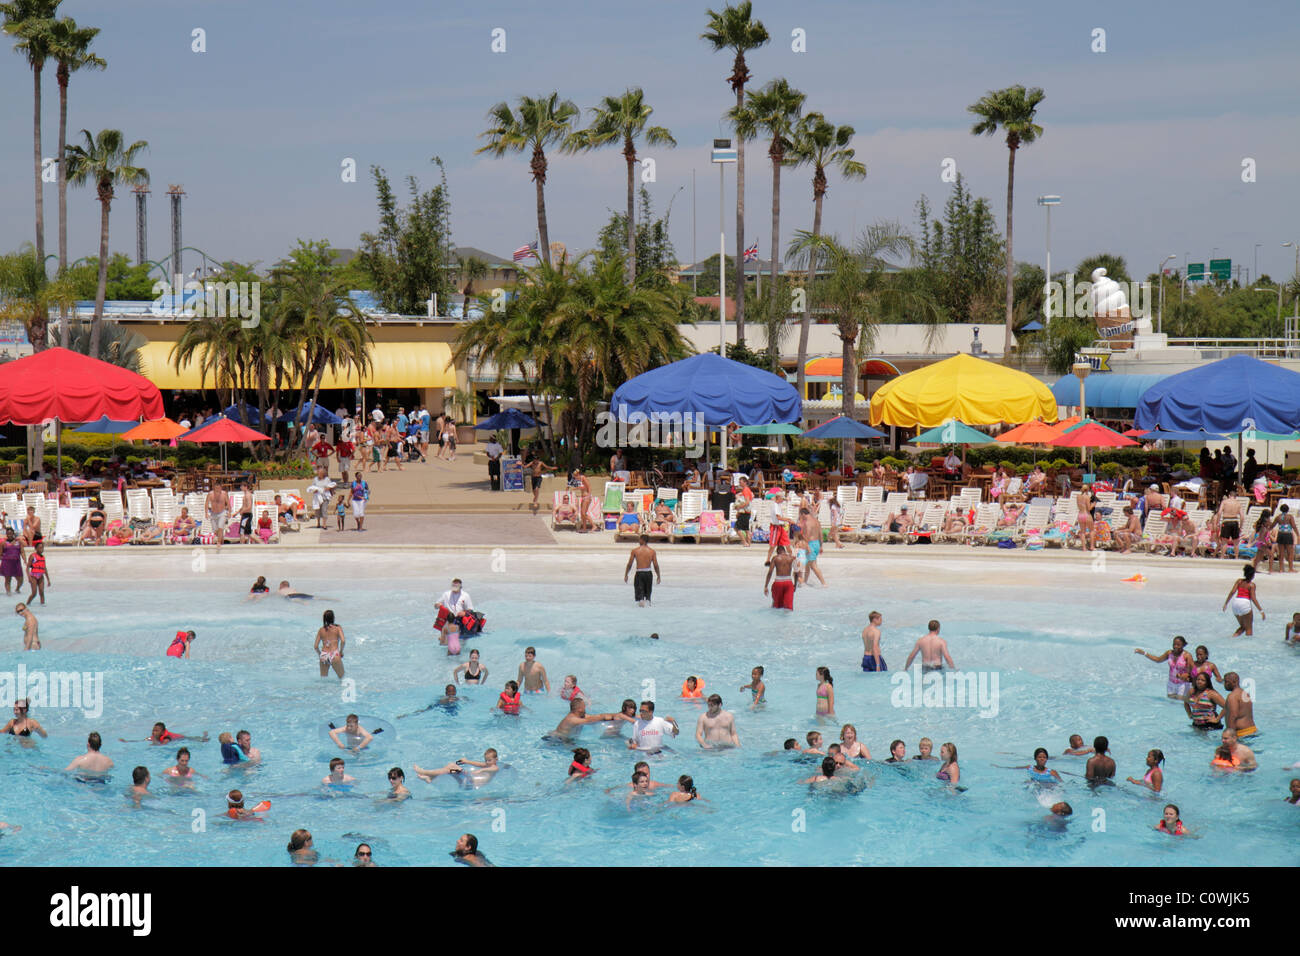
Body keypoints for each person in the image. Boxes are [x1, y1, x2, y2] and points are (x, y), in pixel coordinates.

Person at [550, 698, 623, 740]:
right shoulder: (572, 719)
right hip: (556, 740)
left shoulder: (580, 716)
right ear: (580, 709)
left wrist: (619, 715)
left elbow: (599, 716)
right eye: (584, 706)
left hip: (566, 740)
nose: (586, 708)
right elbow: (591, 720)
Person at [1222, 564, 1264, 636]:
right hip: (1245, 603)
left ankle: (1232, 638)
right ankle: (1249, 645)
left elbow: (1232, 592)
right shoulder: (1252, 585)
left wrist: (1226, 603)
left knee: (1243, 627)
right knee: (1249, 628)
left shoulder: (1239, 581)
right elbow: (1253, 598)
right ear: (1252, 575)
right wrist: (1261, 611)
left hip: (1235, 603)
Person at [624, 534, 660, 607]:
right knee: (648, 597)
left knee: (640, 598)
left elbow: (629, 564)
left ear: (642, 540)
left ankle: (641, 611)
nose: (638, 541)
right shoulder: (652, 551)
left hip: (639, 574)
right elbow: (656, 565)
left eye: (639, 539)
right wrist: (658, 576)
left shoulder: (635, 551)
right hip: (648, 574)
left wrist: (626, 574)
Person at [1222, 672, 1258, 739]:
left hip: (1242, 733)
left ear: (1234, 682)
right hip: (1252, 729)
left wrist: (1230, 736)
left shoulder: (1232, 696)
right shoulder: (1245, 694)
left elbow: (1233, 716)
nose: (1224, 684)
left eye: (1226, 682)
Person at [314, 609, 345, 679]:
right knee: (342, 678)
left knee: (323, 681)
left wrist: (320, 655)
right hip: (334, 654)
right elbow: (343, 641)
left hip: (324, 655)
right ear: (333, 618)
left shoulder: (321, 630)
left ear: (324, 619)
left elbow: (315, 646)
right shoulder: (338, 628)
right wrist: (341, 652)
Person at [765, 544, 796, 610]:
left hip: (778, 582)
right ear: (784, 550)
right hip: (788, 582)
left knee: (776, 606)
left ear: (778, 551)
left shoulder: (775, 558)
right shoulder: (791, 558)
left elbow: (770, 572)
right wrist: (795, 585)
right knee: (788, 608)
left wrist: (766, 586)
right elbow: (796, 572)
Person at [1215, 486, 1243, 558]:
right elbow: (1242, 516)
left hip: (1226, 521)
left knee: (1224, 541)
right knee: (1236, 542)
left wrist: (1217, 522)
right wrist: (1241, 527)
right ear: (1235, 497)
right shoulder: (1238, 503)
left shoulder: (1224, 502)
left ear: (1229, 496)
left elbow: (1219, 512)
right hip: (1235, 521)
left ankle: (1222, 557)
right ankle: (1236, 557)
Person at [1272, 504, 1297, 573]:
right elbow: (1294, 526)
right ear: (1288, 510)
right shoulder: (1290, 517)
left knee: (1281, 553)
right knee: (1290, 553)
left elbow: (1272, 525)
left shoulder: (1278, 517)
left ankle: (1281, 569)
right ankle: (1290, 568)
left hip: (1280, 534)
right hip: (1288, 535)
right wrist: (1297, 534)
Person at [205, 483, 229, 550]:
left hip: (222, 513)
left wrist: (229, 512)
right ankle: (221, 539)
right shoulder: (210, 494)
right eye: (216, 488)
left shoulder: (224, 494)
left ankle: (219, 542)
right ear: (214, 488)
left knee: (220, 527)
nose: (217, 489)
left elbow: (228, 503)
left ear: (221, 488)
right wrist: (206, 513)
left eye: (219, 488)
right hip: (213, 513)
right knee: (215, 530)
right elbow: (206, 503)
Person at [0, 529, 24, 594]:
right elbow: (0, 554)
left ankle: (17, 589)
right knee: (8, 579)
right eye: (8, 533)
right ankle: (8, 592)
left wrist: (25, 560)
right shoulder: (3, 543)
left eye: (11, 533)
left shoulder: (18, 542)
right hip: (6, 563)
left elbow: (22, 551)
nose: (9, 534)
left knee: (20, 579)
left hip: (16, 563)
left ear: (13, 533)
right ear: (6, 534)